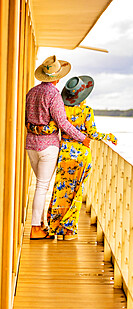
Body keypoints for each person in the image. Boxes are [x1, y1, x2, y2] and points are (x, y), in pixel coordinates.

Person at [28, 75, 117, 240]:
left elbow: (55, 126)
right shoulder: (86, 111)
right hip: (79, 154)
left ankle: (53, 226)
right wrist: (109, 137)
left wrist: (34, 128)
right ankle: (68, 231)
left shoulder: (60, 107)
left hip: (63, 153)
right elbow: (92, 133)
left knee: (60, 192)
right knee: (75, 193)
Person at [25, 56, 90, 240]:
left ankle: (41, 225)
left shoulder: (31, 92)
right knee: (42, 186)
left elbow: (25, 120)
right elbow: (63, 123)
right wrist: (82, 138)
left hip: (31, 144)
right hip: (48, 146)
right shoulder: (53, 95)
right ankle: (36, 227)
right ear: (57, 78)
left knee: (40, 185)